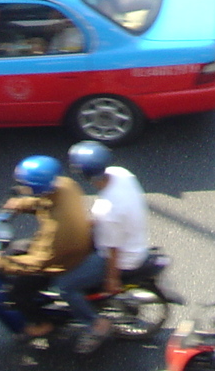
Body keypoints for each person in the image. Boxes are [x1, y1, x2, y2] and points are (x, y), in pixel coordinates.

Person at [0, 156, 96, 349]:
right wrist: (20, 205)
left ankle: (42, 324)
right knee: (16, 249)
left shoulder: (57, 228)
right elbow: (45, 202)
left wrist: (1, 263)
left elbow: (40, 262)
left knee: (18, 293)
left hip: (62, 260)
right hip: (64, 243)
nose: (24, 188)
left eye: (27, 185)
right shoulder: (65, 185)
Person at [63, 141, 150, 355]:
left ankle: (96, 324)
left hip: (122, 255)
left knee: (65, 286)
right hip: (132, 237)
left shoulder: (108, 210)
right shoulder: (120, 174)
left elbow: (112, 252)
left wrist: (112, 280)